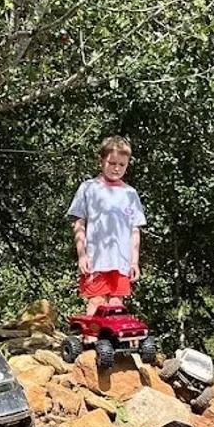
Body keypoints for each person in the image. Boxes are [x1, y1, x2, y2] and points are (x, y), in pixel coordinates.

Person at [68, 136, 145, 341]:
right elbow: (79, 224)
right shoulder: (89, 188)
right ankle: (90, 344)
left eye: (122, 164)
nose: (116, 168)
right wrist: (82, 255)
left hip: (121, 261)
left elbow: (134, 229)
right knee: (96, 301)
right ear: (101, 161)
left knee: (116, 304)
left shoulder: (130, 193)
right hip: (96, 259)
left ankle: (113, 344)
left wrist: (134, 261)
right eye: (112, 163)